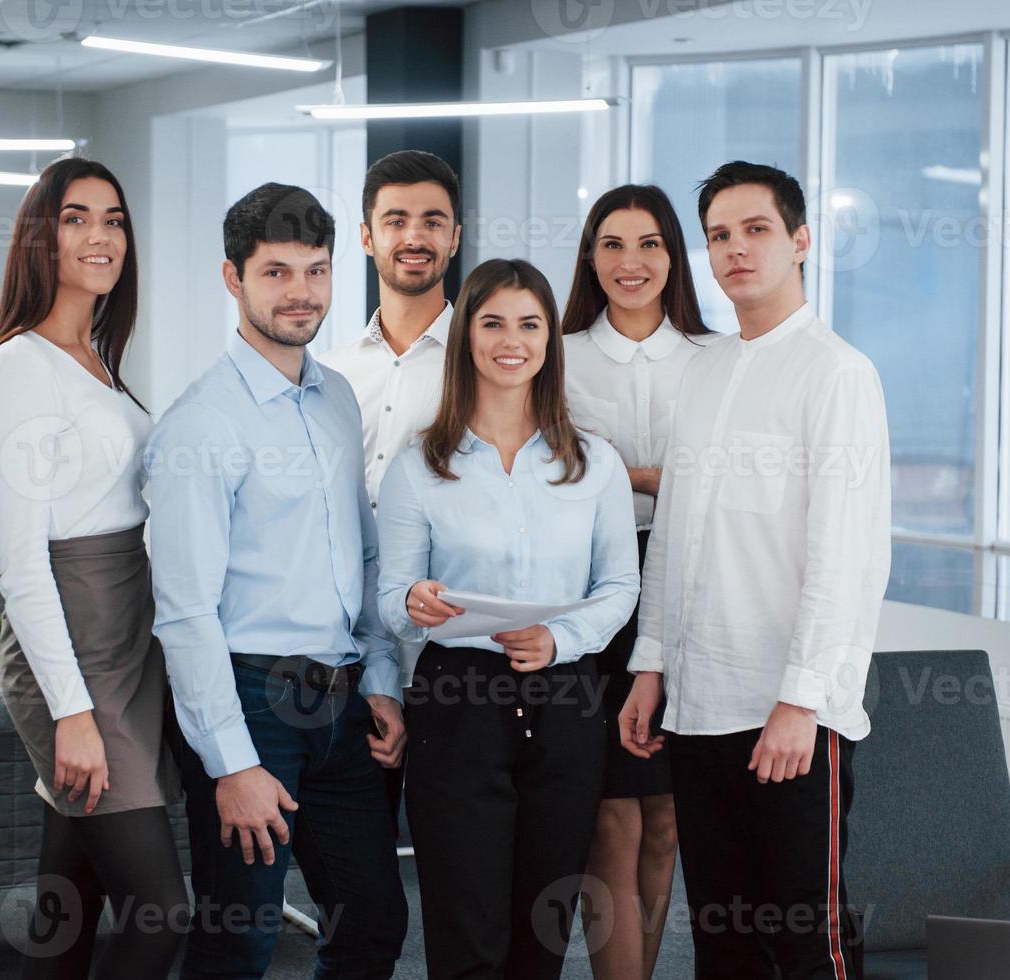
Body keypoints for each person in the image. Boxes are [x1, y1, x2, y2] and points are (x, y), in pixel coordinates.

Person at [621, 161, 890, 980]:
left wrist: (800, 698)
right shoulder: (704, 370)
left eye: (757, 229)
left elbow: (847, 554)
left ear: (801, 240)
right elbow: (676, 533)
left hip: (791, 715)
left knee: (808, 943)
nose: (735, 249)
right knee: (724, 942)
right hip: (701, 706)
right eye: (719, 236)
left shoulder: (837, 372)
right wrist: (649, 665)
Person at [142, 182, 408, 979]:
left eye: (317, 271)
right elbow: (184, 613)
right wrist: (229, 762)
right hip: (250, 702)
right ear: (234, 278)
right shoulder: (200, 424)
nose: (301, 293)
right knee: (239, 942)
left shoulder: (337, 398)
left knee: (375, 924)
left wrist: (384, 680)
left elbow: (361, 557)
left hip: (341, 698)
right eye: (277, 272)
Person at [376, 257, 640, 980]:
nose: (511, 340)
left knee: (541, 929)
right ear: (465, 337)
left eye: (529, 324)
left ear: (550, 341)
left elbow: (620, 586)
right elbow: (390, 596)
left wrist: (562, 638)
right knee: (467, 924)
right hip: (457, 702)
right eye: (492, 322)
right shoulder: (419, 466)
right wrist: (412, 603)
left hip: (565, 701)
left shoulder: (594, 464)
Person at [0, 157, 185, 979]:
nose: (101, 236)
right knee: (161, 911)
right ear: (40, 238)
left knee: (71, 906)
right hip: (72, 650)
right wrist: (72, 712)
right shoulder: (22, 365)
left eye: (115, 219)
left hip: (129, 639)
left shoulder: (94, 359)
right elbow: (19, 564)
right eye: (77, 218)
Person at [558, 184, 715, 980]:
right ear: (591, 256)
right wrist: (666, 477)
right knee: (612, 821)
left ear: (672, 256)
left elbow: (728, 485)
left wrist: (626, 472)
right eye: (612, 244)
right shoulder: (558, 352)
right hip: (598, 594)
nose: (631, 262)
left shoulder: (715, 358)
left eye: (649, 243)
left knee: (666, 822)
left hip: (689, 592)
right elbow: (556, 474)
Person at [319, 148, 462, 823]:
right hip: (352, 657)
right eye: (397, 220)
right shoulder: (328, 373)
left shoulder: (489, 362)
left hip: (454, 660)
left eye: (433, 221)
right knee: (361, 870)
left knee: (458, 868)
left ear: (455, 237)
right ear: (368, 237)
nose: (415, 236)